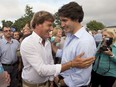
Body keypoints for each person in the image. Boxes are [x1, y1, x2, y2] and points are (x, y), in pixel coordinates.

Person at [20, 11, 95, 87]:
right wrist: (71, 64)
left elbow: (50, 61)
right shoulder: (28, 43)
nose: (52, 29)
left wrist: (51, 79)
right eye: (49, 25)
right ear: (38, 25)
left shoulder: (47, 42)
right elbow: (42, 70)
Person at [52, 2, 96, 87]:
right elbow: (66, 55)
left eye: (64, 20)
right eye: (61, 21)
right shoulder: (70, 35)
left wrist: (60, 83)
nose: (62, 25)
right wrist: (52, 45)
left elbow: (81, 77)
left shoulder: (85, 41)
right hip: (64, 79)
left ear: (76, 19)